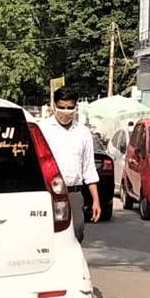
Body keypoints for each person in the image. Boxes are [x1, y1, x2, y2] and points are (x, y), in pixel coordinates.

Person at [39, 87, 100, 242]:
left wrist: (96, 200)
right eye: (62, 107)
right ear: (54, 105)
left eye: (69, 108)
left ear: (75, 107)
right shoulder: (42, 129)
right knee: (48, 235)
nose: (65, 112)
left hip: (73, 193)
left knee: (77, 231)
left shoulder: (83, 133)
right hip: (48, 193)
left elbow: (89, 169)